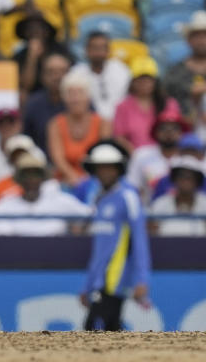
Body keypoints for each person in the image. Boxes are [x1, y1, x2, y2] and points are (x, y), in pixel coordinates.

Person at [81, 141, 151, 331]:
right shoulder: (100, 199)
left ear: (119, 169)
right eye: (100, 168)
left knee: (93, 327)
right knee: (111, 329)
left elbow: (139, 241)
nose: (104, 172)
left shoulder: (128, 197)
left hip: (116, 277)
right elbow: (98, 250)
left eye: (109, 167)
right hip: (100, 280)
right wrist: (88, 286)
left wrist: (141, 280)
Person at [0, 152, 91, 236]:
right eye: (26, 175)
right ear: (19, 180)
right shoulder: (4, 206)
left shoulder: (60, 201)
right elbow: (1, 238)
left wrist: (78, 232)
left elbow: (89, 216)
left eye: (36, 175)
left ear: (42, 178)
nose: (31, 180)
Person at [48, 69, 110, 185]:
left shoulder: (102, 123)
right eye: (71, 93)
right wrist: (76, 179)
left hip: (96, 180)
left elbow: (103, 155)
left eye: (80, 93)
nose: (75, 99)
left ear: (88, 96)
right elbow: (58, 159)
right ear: (64, 97)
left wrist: (87, 182)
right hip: (66, 181)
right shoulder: (55, 124)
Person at [113, 56, 183, 153]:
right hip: (134, 155)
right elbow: (119, 137)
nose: (144, 83)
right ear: (133, 82)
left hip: (165, 154)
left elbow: (177, 131)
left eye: (148, 79)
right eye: (140, 79)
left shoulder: (169, 103)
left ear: (155, 82)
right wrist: (135, 154)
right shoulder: (122, 106)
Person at [127, 112, 189, 203]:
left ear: (181, 132)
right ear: (155, 131)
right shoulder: (141, 155)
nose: (169, 132)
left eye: (174, 128)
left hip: (187, 213)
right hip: (150, 211)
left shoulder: (190, 157)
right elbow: (133, 187)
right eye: (163, 128)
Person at [74, 31, 132, 121]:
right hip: (89, 124)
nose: (98, 51)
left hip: (119, 122)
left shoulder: (121, 70)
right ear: (86, 50)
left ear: (108, 50)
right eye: (94, 47)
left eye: (102, 47)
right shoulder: (76, 73)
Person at [13, 11, 72, 98]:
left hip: (60, 92)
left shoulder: (59, 49)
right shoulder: (20, 55)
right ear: (25, 33)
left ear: (47, 31)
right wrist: (32, 57)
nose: (35, 31)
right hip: (33, 95)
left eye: (39, 28)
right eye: (30, 28)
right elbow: (25, 86)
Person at [23, 52, 71, 150]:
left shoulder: (80, 100)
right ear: (42, 76)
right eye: (51, 72)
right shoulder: (33, 104)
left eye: (62, 72)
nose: (57, 77)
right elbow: (26, 138)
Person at [0, 133, 49, 205]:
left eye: (24, 154)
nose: (20, 159)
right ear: (10, 159)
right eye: (15, 156)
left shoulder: (48, 187)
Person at [163, 11, 206, 117]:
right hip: (182, 129)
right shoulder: (175, 72)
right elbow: (165, 103)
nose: (202, 41)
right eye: (197, 36)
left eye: (205, 35)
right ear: (188, 40)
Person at [148, 156, 206, 236]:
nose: (185, 180)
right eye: (181, 176)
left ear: (197, 180)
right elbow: (151, 232)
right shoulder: (161, 203)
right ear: (174, 179)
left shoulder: (204, 203)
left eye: (190, 177)